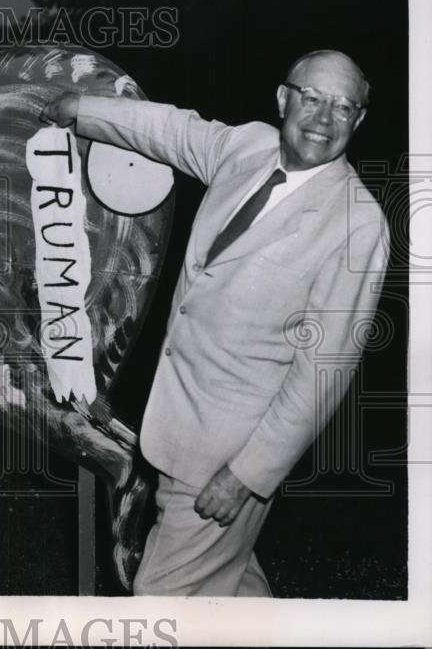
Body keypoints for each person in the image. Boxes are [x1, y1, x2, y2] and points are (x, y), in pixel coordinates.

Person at [42, 50, 389, 596]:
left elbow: (321, 375)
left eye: (343, 107)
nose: (323, 119)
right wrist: (80, 109)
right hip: (177, 427)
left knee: (161, 603)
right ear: (283, 99)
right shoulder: (248, 148)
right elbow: (176, 131)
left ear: (359, 120)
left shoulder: (357, 223)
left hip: (226, 458)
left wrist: (247, 476)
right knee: (233, 595)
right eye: (312, 98)